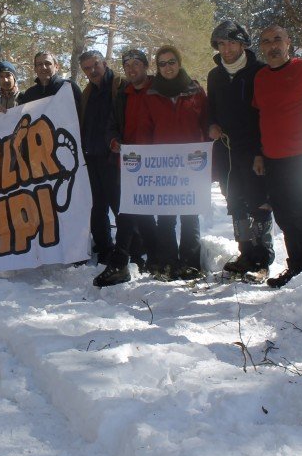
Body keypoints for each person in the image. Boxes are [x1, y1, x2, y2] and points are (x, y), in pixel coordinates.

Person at [252, 25, 302, 288]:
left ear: (288, 43)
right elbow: (259, 118)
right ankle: (295, 268)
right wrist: (259, 154)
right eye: (266, 41)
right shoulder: (261, 77)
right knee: (284, 216)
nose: (272, 45)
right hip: (272, 157)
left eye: (277, 40)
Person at [206, 20, 274, 279]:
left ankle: (262, 259)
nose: (227, 49)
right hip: (226, 151)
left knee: (259, 202)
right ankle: (245, 253)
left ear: (243, 44)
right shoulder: (215, 76)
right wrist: (211, 124)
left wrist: (260, 151)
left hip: (254, 149)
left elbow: (268, 112)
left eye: (232, 43)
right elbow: (211, 108)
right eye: (222, 44)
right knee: (235, 202)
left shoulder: (260, 71)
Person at [138, 45, 209, 280]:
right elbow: (145, 129)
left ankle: (190, 263)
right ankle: (168, 261)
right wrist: (145, 158)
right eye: (162, 64)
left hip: (192, 162)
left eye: (171, 62)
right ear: (157, 68)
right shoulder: (151, 94)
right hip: (163, 163)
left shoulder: (195, 90)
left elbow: (206, 122)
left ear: (179, 63)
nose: (167, 67)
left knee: (190, 214)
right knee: (166, 215)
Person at [103, 49, 158, 285]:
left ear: (145, 65)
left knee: (144, 213)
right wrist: (113, 141)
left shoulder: (158, 90)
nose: (131, 69)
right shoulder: (122, 95)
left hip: (157, 163)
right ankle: (127, 262)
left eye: (136, 64)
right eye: (127, 65)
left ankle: (143, 259)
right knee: (128, 211)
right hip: (129, 163)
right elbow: (112, 125)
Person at [77, 50, 126, 285]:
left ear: (104, 63)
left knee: (120, 206)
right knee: (96, 208)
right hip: (92, 157)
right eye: (87, 68)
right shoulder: (87, 92)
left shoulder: (119, 86)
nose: (92, 70)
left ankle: (128, 249)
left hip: (114, 158)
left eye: (95, 65)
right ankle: (105, 248)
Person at [17, 52, 84, 114]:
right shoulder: (29, 94)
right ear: (35, 69)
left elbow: (83, 114)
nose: (43, 67)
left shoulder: (69, 87)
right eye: (39, 64)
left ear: (56, 67)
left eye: (47, 63)